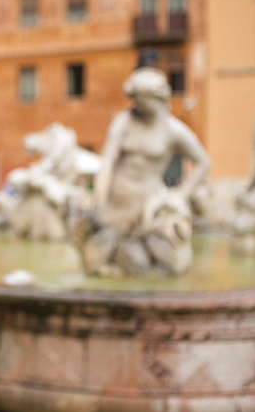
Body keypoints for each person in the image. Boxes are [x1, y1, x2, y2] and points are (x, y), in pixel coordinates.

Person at [77, 67, 209, 275]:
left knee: (161, 267)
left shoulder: (174, 130)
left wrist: (180, 196)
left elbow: (203, 162)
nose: (136, 105)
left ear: (156, 98)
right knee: (95, 263)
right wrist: (99, 200)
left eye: (141, 100)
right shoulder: (123, 122)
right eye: (135, 100)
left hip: (146, 206)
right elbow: (108, 163)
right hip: (116, 205)